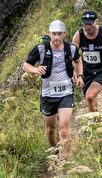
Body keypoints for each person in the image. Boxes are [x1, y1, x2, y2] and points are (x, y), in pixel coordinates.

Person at [23, 19, 83, 157]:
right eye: (54, 34)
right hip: (48, 94)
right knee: (51, 129)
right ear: (50, 33)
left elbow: (78, 61)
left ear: (64, 34)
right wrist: (35, 70)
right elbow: (26, 65)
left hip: (66, 93)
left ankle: (63, 161)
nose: (56, 37)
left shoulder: (71, 48)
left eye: (59, 34)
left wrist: (80, 76)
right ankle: (54, 150)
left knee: (63, 129)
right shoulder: (41, 49)